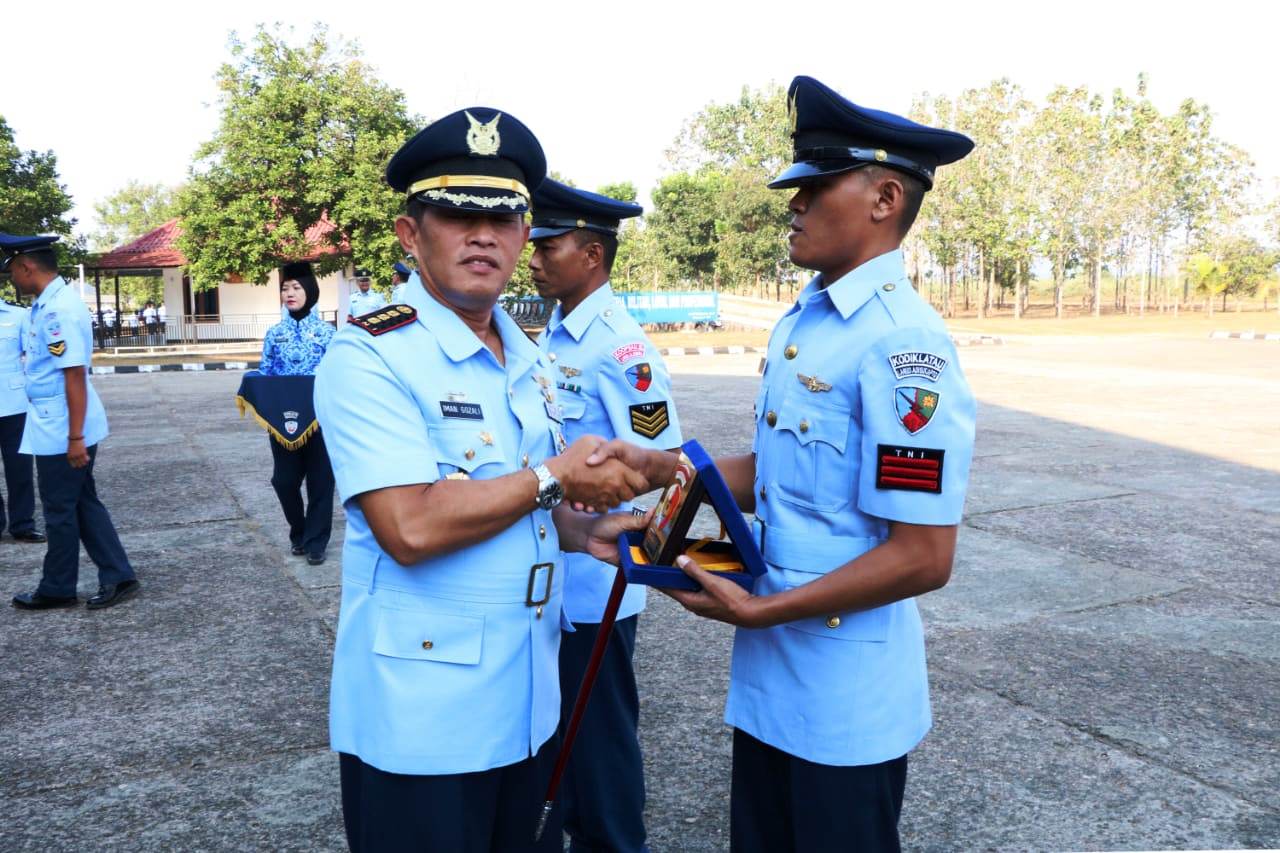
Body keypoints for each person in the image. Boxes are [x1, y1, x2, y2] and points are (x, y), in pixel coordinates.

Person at [585, 75, 977, 852]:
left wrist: (761, 610)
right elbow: (782, 472)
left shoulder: (904, 346)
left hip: (842, 687)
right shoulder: (810, 318)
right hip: (771, 667)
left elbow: (924, 555)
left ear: (885, 198)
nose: (793, 203)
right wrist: (659, 470)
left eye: (816, 186)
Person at [313, 105, 654, 852]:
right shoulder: (370, 355)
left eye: (504, 218)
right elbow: (411, 525)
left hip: (525, 700)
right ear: (410, 233)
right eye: (455, 213)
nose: (482, 234)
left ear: (522, 235)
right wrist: (552, 480)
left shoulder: (524, 354)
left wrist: (584, 529)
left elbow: (524, 502)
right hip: (423, 717)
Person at [529, 178, 683, 853]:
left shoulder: (621, 348)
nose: (532, 257)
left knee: (600, 756)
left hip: (593, 586)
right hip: (548, 579)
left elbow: (663, 460)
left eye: (548, 245)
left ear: (592, 254)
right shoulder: (556, 333)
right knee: (555, 754)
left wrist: (597, 495)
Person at [2, 232, 139, 610]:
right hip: (56, 420)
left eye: (12, 269)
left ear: (28, 267)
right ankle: (118, 574)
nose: (11, 277)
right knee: (80, 502)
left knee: (59, 509)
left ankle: (58, 587)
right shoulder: (50, 302)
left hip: (62, 426)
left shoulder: (57, 310)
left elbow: (73, 374)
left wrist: (75, 437)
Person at [257, 260, 336, 565]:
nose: (289, 293)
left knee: (321, 482)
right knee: (284, 481)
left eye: (296, 287)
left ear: (311, 291)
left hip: (320, 420)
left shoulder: (328, 333)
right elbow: (265, 373)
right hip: (283, 422)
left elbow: (338, 375)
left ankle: (316, 542)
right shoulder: (274, 333)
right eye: (285, 288)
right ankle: (299, 531)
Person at [0, 292, 44, 544]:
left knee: (20, 468)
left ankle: (22, 524)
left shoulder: (17, 315)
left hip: (13, 405)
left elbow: (34, 356)